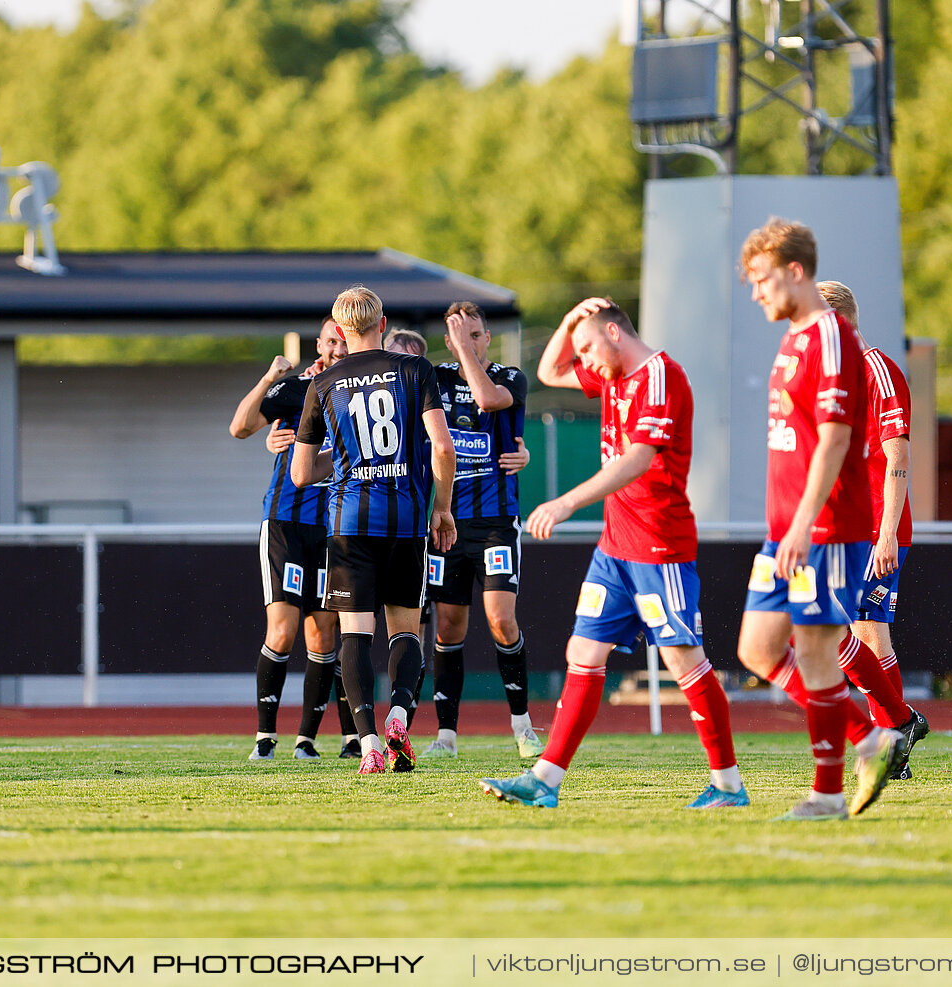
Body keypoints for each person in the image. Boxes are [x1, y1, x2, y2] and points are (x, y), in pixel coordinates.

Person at [478, 298, 744, 810]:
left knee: (684, 659)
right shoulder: (612, 375)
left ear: (616, 333)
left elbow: (640, 459)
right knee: (583, 654)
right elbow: (551, 369)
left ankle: (729, 784)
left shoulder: (661, 376)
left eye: (589, 347)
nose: (586, 360)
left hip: (658, 545)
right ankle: (545, 780)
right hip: (615, 548)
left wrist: (566, 502)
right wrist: (569, 318)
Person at [733, 220, 902, 821]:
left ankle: (828, 794)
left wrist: (804, 522)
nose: (756, 293)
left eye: (761, 279)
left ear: (795, 271)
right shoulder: (795, 337)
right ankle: (871, 735)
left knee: (814, 654)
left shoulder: (831, 337)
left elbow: (834, 441)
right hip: (789, 528)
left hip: (824, 529)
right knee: (757, 649)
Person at [292, 287, 457, 774]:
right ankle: (401, 715)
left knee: (355, 634)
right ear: (382, 323)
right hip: (405, 520)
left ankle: (367, 747)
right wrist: (441, 509)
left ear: (340, 331)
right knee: (406, 629)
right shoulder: (415, 370)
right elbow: (442, 449)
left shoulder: (323, 384)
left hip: (349, 523)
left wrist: (345, 457)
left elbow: (301, 473)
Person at [815, 281, 929, 778]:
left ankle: (893, 746)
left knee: (870, 636)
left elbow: (898, 454)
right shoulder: (832, 375)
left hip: (876, 531)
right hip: (843, 529)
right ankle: (897, 728)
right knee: (849, 635)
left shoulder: (877, 368)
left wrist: (885, 535)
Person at [421, 302, 543, 761]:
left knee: (500, 618)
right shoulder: (436, 378)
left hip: (494, 521)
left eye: (475, 334)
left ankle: (522, 726)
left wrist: (463, 350)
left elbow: (489, 400)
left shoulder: (511, 378)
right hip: (446, 522)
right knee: (448, 627)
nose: (468, 341)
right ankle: (446, 736)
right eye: (459, 335)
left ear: (487, 337)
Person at [227, 319, 351, 760]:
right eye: (330, 341)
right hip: (284, 522)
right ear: (320, 344)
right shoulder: (296, 388)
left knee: (324, 635)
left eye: (344, 340)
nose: (337, 348)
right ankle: (264, 738)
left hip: (336, 527)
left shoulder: (361, 392)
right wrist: (268, 378)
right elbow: (240, 428)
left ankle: (307, 741)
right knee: (282, 630)